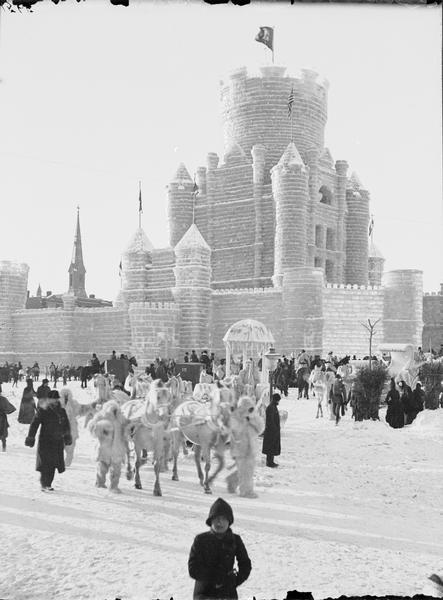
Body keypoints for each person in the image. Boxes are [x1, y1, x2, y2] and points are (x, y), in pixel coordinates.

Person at [188, 497, 252, 600]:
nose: (219, 523)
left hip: (228, 592)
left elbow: (245, 564)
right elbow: (193, 568)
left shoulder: (235, 540)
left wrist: (234, 581)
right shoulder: (200, 540)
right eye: (216, 519)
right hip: (204, 592)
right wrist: (214, 578)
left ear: (229, 521)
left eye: (223, 519)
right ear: (211, 520)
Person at [25, 389, 72, 492]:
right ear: (48, 399)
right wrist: (31, 437)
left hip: (57, 441)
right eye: (52, 399)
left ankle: (48, 483)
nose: (54, 401)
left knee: (54, 463)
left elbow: (66, 425)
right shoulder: (43, 410)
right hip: (45, 440)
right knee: (45, 463)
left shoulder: (61, 411)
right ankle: (44, 484)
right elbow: (34, 424)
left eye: (56, 399)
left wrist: (67, 436)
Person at [226, 396, 264, 498]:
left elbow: (260, 428)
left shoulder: (253, 417)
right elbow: (233, 432)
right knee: (245, 472)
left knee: (247, 470)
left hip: (251, 449)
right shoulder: (236, 417)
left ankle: (232, 481)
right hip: (240, 449)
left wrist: (252, 418)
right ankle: (245, 491)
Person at [262, 393, 281, 468]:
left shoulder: (273, 407)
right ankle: (269, 462)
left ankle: (271, 461)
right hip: (271, 431)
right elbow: (270, 420)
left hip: (273, 431)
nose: (278, 402)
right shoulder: (271, 407)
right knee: (270, 447)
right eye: (278, 400)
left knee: (272, 446)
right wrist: (274, 429)